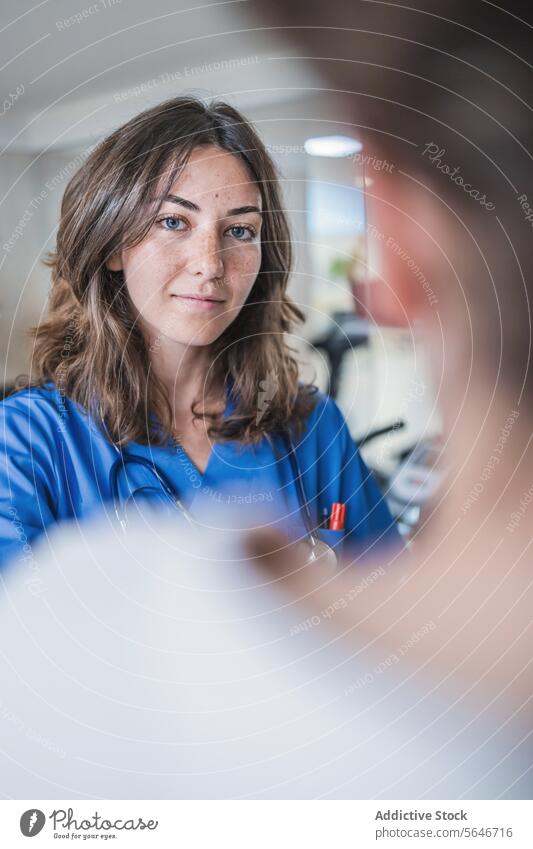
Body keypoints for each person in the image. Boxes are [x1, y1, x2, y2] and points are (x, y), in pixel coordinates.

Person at [0, 96, 400, 570]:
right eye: (174, 222)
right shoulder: (26, 441)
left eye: (240, 231)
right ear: (112, 247)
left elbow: (398, 612)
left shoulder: (311, 427)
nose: (210, 265)